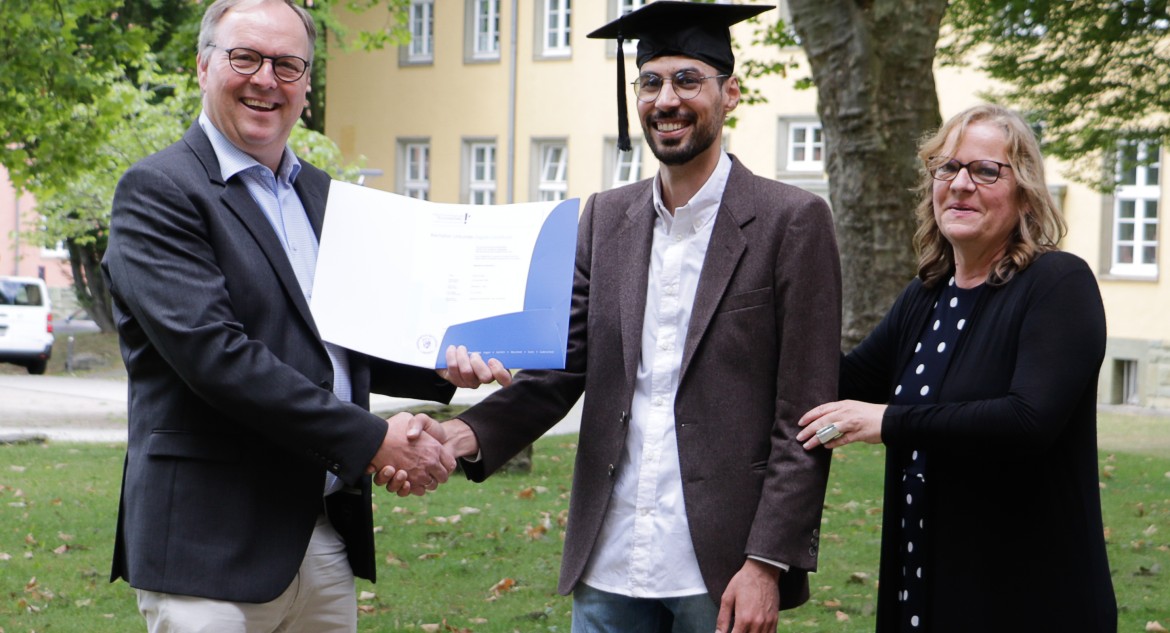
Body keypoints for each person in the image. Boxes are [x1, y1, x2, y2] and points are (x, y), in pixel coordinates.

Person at [395, 2, 841, 631]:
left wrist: (767, 561)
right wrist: (461, 436)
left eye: (688, 79)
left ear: (730, 93)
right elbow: (564, 369)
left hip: (721, 566)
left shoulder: (790, 221)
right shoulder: (606, 219)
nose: (667, 100)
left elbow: (805, 416)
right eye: (651, 81)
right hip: (609, 557)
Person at [101, 0, 507, 630]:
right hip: (208, 546)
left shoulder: (323, 196)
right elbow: (217, 357)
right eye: (246, 58)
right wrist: (373, 440)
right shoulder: (159, 191)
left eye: (288, 65)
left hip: (318, 532)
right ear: (203, 66)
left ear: (307, 84)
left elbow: (348, 335)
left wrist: (444, 362)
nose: (266, 79)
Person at [796, 104, 1118, 632]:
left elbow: (1028, 421)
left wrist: (888, 422)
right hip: (923, 588)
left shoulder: (1059, 283)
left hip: (1026, 601)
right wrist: (774, 294)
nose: (961, 184)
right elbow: (838, 383)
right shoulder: (924, 298)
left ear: (1026, 191)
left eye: (986, 170)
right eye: (947, 168)